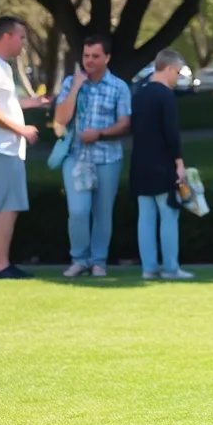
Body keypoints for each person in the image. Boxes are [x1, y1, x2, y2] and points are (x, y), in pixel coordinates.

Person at [0, 15, 50, 279]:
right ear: (7, 36)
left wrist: (35, 103)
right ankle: (2, 266)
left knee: (2, 206)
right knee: (9, 207)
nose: (24, 43)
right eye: (21, 37)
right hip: (0, 149)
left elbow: (5, 104)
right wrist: (22, 130)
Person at [53, 34, 132, 278]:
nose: (89, 60)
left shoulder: (119, 87)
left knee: (102, 213)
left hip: (108, 157)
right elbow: (60, 118)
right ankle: (79, 259)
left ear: (107, 58)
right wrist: (76, 87)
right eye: (86, 56)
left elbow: (124, 123)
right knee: (78, 211)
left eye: (95, 56)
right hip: (76, 157)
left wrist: (99, 134)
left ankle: (98, 261)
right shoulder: (71, 83)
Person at [130, 49, 193, 281]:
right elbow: (171, 133)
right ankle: (171, 267)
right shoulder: (165, 96)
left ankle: (149, 268)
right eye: (177, 72)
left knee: (145, 216)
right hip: (162, 163)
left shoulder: (139, 94)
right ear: (167, 69)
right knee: (169, 214)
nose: (178, 77)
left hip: (140, 163)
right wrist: (179, 163)